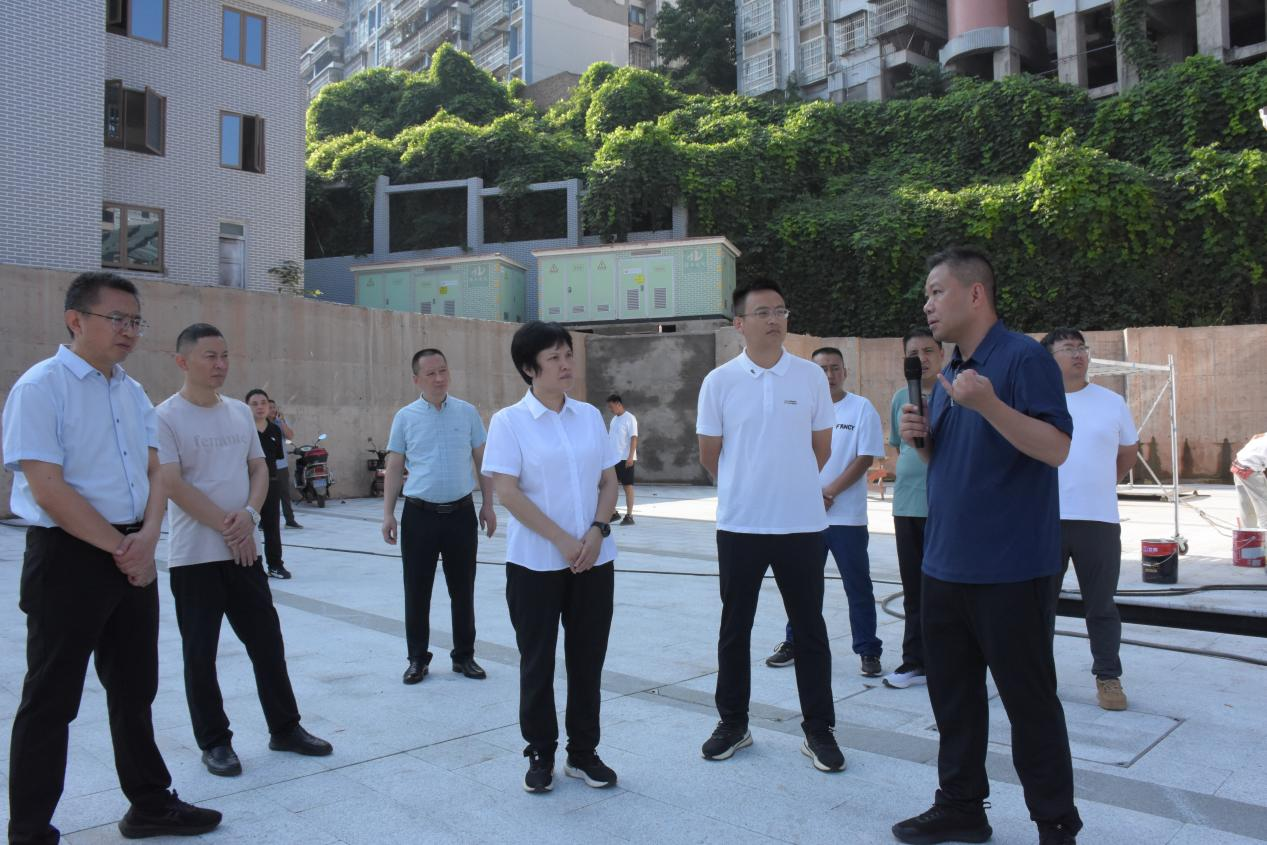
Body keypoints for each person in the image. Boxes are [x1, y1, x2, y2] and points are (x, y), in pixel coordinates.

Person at [2, 272, 221, 843]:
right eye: (116, 319)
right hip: (68, 556)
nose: (129, 330)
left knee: (134, 689)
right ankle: (29, 829)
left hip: (133, 552)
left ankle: (149, 804)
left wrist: (147, 538)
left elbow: (155, 472)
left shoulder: (130, 390)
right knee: (51, 698)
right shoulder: (41, 387)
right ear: (76, 320)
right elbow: (47, 488)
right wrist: (123, 547)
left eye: (135, 321)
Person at [894, 248, 1082, 845]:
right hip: (945, 563)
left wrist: (989, 403)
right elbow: (953, 462)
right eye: (926, 295)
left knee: (1029, 701)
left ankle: (1055, 822)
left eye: (937, 292)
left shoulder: (1023, 358)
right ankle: (961, 807)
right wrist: (923, 440)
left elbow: (1056, 448)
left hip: (1010, 568)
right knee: (953, 699)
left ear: (975, 294)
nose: (927, 305)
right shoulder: (952, 369)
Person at [157, 324, 333, 778]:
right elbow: (171, 483)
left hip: (243, 553)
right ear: (182, 362)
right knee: (201, 654)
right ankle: (215, 741)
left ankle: (285, 728)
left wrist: (250, 517)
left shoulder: (238, 412)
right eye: (209, 356)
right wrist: (228, 525)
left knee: (267, 643)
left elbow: (258, 468)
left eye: (225, 356)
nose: (220, 364)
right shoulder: (165, 416)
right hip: (195, 557)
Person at [696, 280, 845, 774]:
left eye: (780, 310)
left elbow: (821, 447)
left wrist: (790, 486)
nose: (774, 319)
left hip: (802, 525)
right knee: (734, 628)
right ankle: (733, 724)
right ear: (739, 323)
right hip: (740, 524)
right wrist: (749, 486)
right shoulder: (719, 381)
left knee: (810, 629)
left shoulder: (809, 377)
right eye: (762, 312)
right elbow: (710, 455)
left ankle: (819, 729)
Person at [481, 321, 622, 793]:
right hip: (536, 564)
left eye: (568, 354)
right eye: (554, 358)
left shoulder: (589, 416)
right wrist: (562, 540)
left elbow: (608, 480)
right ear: (529, 368)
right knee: (537, 660)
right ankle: (540, 751)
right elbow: (507, 491)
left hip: (594, 560)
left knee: (588, 659)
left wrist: (598, 530)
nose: (566, 365)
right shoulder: (509, 422)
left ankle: (583, 753)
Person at [765, 348, 886, 679]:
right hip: (807, 517)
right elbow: (789, 456)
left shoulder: (861, 408)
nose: (829, 375)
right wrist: (810, 495)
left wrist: (830, 492)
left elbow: (865, 458)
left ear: (845, 372)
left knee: (857, 586)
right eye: (822, 369)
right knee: (802, 586)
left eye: (835, 368)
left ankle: (868, 649)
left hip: (847, 519)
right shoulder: (799, 409)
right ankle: (794, 642)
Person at [381, 348, 497, 685]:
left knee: (463, 590)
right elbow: (394, 466)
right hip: (420, 516)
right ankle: (417, 659)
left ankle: (464, 656)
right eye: (430, 373)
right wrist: (388, 514)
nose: (439, 378)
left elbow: (482, 460)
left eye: (443, 371)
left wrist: (488, 505)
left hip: (461, 514)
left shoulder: (467, 412)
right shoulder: (405, 417)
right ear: (416, 379)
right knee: (417, 591)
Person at [1042, 328, 1139, 712]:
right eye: (1067, 349)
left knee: (1101, 605)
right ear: (1048, 359)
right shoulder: (1036, 403)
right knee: (1039, 607)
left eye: (1081, 347)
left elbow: (1127, 453)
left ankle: (1108, 676)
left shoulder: (1112, 402)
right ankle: (1038, 677)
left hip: (1098, 520)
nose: (1078, 354)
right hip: (1045, 520)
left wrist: (1099, 485)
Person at [883, 327, 943, 690]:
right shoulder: (900, 397)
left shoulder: (956, 394)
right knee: (913, 590)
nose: (921, 359)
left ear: (942, 354)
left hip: (945, 507)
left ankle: (950, 660)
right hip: (907, 505)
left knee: (947, 590)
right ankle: (914, 661)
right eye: (913, 353)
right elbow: (897, 444)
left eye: (928, 351)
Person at [246, 389, 291, 579]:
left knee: (272, 527)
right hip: (248, 486)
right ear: (247, 407)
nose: (260, 407)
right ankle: (251, 567)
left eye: (263, 403)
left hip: (271, 483)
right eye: (254, 404)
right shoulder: (243, 430)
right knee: (248, 527)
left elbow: (277, 456)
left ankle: (275, 565)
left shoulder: (274, 430)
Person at [605, 393, 639, 525]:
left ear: (618, 404)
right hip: (613, 459)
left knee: (627, 487)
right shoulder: (614, 420)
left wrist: (631, 457)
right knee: (609, 486)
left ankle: (629, 516)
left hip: (625, 459)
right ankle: (613, 513)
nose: (610, 409)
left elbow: (634, 438)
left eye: (611, 406)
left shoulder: (630, 418)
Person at [269, 399, 302, 528]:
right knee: (267, 495)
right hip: (266, 465)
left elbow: (290, 436)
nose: (272, 410)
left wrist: (281, 421)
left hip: (281, 465)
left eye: (274, 407)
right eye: (270, 407)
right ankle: (263, 522)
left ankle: (290, 520)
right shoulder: (261, 424)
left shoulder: (280, 422)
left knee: (285, 494)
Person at [1232, 432, 1267, 529]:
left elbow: (1256, 436)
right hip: (1250, 469)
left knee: (1246, 506)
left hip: (1238, 464)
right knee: (1264, 506)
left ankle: (1247, 533)